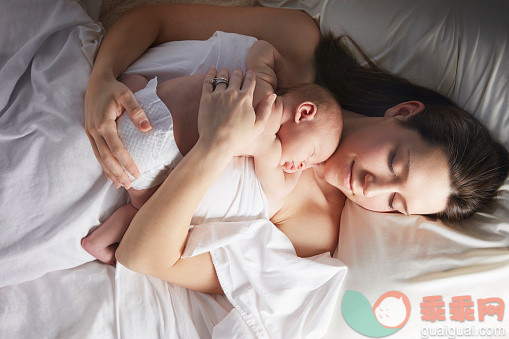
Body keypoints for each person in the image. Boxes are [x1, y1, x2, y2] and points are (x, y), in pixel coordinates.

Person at [84, 4, 509, 293]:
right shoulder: (294, 46)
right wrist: (101, 80)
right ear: (401, 112)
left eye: (395, 203)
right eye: (396, 162)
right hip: (83, 93)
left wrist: (216, 147)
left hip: (89, 195)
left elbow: (144, 257)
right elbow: (153, 18)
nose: (371, 187)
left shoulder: (314, 230)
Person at [81, 40, 342, 265]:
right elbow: (278, 189)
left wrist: (286, 80)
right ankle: (99, 241)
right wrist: (295, 173)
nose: (304, 163)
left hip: (143, 105)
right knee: (143, 208)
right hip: (148, 154)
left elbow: (263, 49)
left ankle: (129, 88)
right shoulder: (267, 140)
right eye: (312, 154)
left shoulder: (262, 82)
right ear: (304, 112)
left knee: (138, 82)